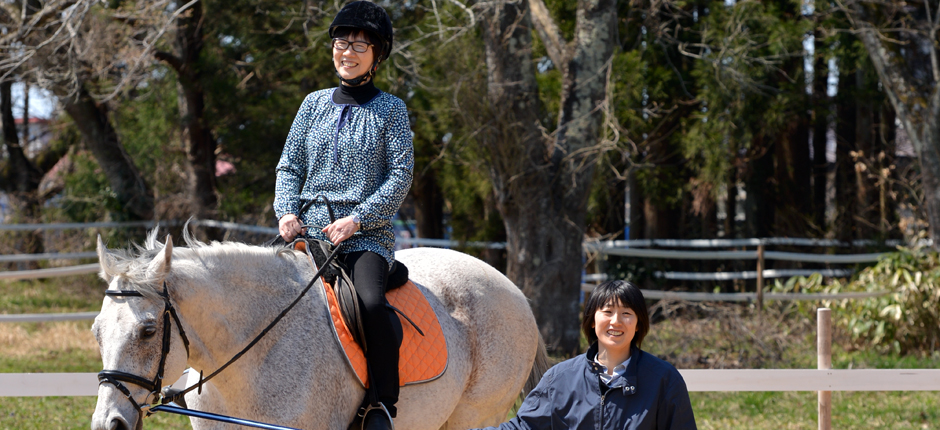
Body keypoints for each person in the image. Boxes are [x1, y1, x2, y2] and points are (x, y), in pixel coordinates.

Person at [272, 2, 413, 429]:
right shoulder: (312, 104)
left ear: (377, 54)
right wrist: (286, 210)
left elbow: (400, 175)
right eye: (340, 42)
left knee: (370, 303)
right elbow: (289, 165)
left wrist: (359, 219)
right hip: (307, 229)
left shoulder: (392, 110)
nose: (346, 52)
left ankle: (382, 403)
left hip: (363, 238)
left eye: (358, 44)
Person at [475, 280, 696, 430]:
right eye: (607, 312)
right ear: (592, 320)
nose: (616, 321)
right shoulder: (560, 379)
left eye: (626, 314)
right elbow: (524, 427)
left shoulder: (664, 380)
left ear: (638, 324)